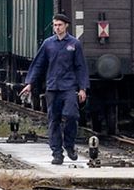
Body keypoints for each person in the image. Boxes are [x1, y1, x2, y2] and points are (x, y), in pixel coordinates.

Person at [20, 14, 89, 165]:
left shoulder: (74, 44)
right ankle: (57, 153)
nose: (57, 28)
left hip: (69, 87)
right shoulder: (48, 44)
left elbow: (80, 67)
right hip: (52, 87)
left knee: (71, 115)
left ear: (66, 26)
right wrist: (30, 83)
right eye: (55, 25)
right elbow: (38, 64)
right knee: (54, 120)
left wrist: (83, 88)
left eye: (60, 25)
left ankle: (69, 146)